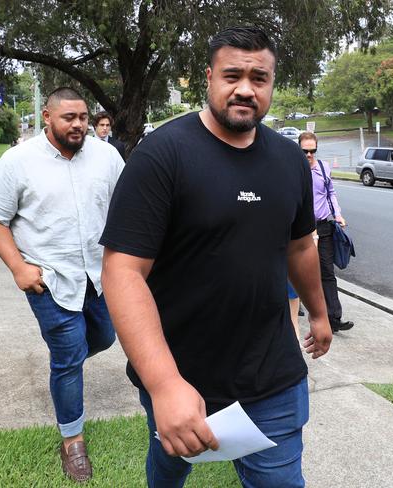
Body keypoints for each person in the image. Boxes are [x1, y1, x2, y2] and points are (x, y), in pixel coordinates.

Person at [100, 27, 332, 487]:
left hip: (273, 373)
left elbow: (301, 244)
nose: (245, 88)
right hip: (182, 370)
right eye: (232, 75)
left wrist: (320, 314)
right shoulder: (162, 156)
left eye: (259, 78)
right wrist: (165, 385)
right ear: (208, 77)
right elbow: (122, 271)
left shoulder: (289, 160)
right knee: (168, 468)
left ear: (271, 84)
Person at [0, 87, 124, 483]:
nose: (78, 125)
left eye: (83, 117)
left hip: (98, 275)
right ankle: (72, 441)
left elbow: (126, 206)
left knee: (105, 337)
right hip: (48, 279)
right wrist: (18, 269)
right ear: (47, 116)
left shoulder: (107, 156)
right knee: (69, 356)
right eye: (68, 117)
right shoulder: (18, 162)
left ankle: (65, 366)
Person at [299, 131, 354, 332]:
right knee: (300, 269)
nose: (309, 155)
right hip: (301, 228)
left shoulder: (323, 168)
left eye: (312, 151)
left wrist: (337, 214)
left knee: (327, 272)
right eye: (305, 151)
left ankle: (333, 317)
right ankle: (296, 303)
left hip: (323, 226)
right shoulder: (295, 170)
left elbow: (330, 193)